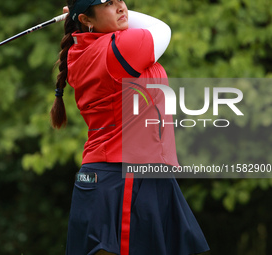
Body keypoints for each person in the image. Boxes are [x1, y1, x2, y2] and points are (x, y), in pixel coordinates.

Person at [50, 0, 210, 254]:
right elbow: (161, 30)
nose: (121, 7)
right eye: (108, 4)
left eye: (119, 0)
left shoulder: (79, 51)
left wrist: (84, 17)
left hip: (123, 174)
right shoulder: (118, 48)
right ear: (85, 20)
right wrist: (80, 16)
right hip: (123, 178)